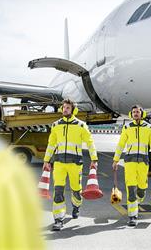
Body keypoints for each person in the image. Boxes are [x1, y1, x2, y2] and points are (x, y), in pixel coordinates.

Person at [43, 99, 98, 231]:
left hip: (75, 163)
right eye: (64, 107)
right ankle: (58, 219)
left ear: (73, 110)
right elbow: (51, 144)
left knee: (76, 191)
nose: (65, 109)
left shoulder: (81, 125)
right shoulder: (56, 125)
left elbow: (90, 142)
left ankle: (76, 206)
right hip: (59, 163)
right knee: (58, 191)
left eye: (68, 108)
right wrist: (46, 160)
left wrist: (94, 159)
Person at [112, 105, 151, 226]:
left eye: (137, 112)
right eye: (133, 112)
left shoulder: (149, 128)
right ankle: (132, 216)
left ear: (141, 113)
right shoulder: (127, 127)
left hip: (143, 162)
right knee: (131, 189)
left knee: (142, 189)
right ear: (131, 114)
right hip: (130, 162)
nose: (135, 114)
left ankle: (138, 200)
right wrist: (116, 160)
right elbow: (121, 144)